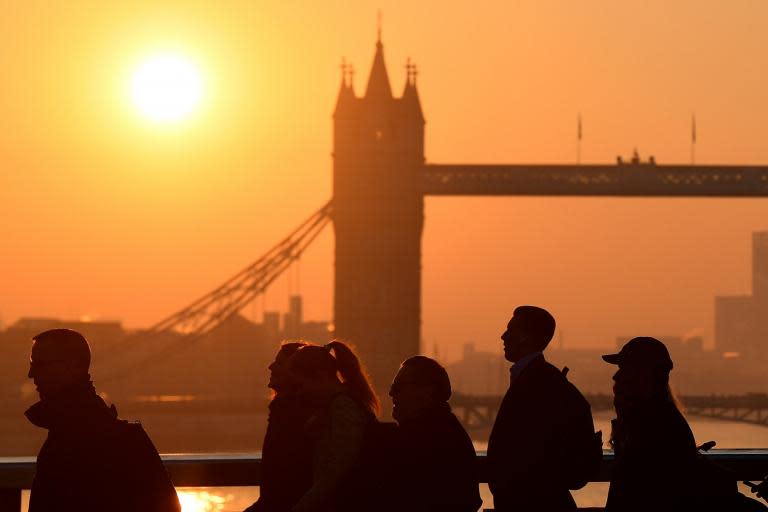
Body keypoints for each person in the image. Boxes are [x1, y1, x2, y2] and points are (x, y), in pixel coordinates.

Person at [25, 328, 180, 512]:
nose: (31, 374)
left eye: (40, 364)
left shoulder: (63, 445)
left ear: (71, 368)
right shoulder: (130, 440)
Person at [487, 306, 599, 512]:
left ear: (526, 337)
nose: (503, 336)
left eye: (511, 330)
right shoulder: (553, 383)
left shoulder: (537, 385)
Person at [603, 336, 698, 511]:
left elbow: (635, 493)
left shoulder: (651, 428)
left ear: (644, 375)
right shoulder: (658, 419)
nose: (616, 376)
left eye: (624, 368)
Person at [287, 341, 380, 512]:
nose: (299, 392)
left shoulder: (342, 408)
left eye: (300, 385)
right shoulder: (338, 407)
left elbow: (336, 473)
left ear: (320, 376)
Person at [387, 355, 481, 512]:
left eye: (398, 387)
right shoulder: (448, 430)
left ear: (426, 391)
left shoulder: (420, 438)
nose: (391, 393)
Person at [245, 341, 314, 512]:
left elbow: (280, 490)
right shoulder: (290, 412)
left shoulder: (289, 415)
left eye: (279, 363)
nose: (270, 367)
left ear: (296, 374)